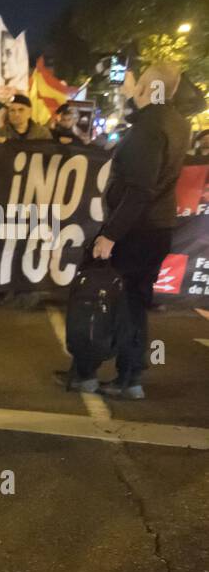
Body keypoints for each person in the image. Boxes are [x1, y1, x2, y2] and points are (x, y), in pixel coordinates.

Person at [62, 62, 192, 399]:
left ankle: (91, 372)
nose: (127, 85)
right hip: (154, 228)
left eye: (136, 81)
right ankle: (126, 376)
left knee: (107, 298)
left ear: (148, 87)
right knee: (132, 302)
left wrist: (110, 235)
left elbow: (139, 189)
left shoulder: (150, 126)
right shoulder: (177, 123)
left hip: (135, 230)